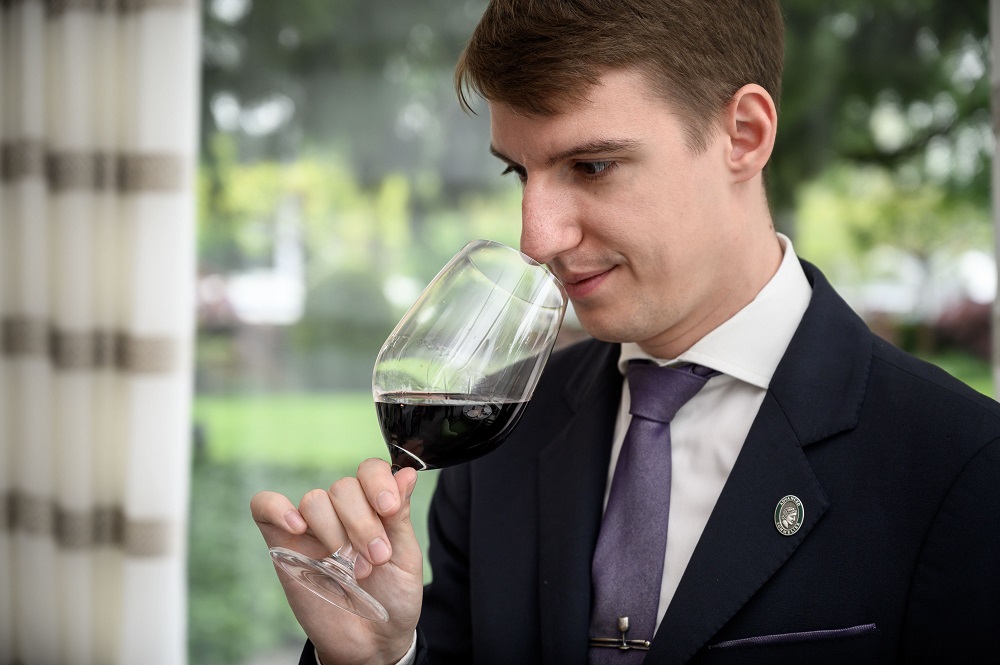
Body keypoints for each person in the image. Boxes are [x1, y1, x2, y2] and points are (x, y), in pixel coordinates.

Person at [250, 0, 1000, 663]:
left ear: (744, 133)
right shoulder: (495, 453)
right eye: (519, 172)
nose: (536, 237)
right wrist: (381, 659)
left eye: (593, 164)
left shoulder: (963, 468)